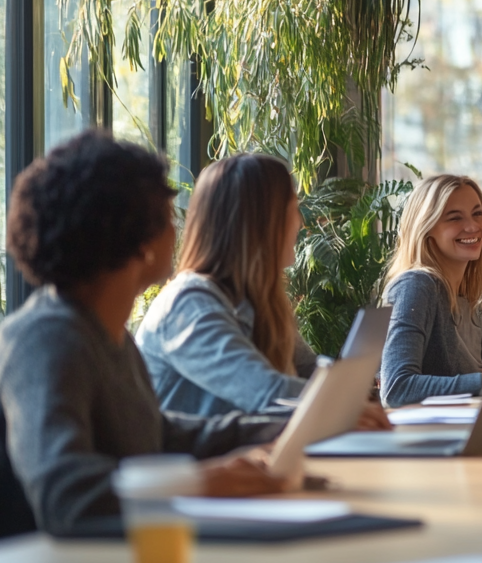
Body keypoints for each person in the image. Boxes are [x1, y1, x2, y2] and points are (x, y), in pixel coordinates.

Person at [0, 131, 285, 538]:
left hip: (106, 562)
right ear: (141, 241)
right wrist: (199, 482)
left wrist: (284, 425)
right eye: (168, 216)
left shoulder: (103, 332)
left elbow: (156, 435)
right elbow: (67, 495)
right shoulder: (44, 342)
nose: (179, 229)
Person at [136, 153, 386, 430]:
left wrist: (353, 388)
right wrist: (343, 403)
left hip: (249, 461)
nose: (300, 223)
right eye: (293, 209)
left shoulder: (261, 300)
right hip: (197, 469)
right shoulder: (189, 305)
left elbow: (308, 370)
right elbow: (267, 393)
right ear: (260, 223)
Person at [379, 174, 482, 407]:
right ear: (426, 229)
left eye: (478, 214)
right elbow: (396, 388)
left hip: (466, 425)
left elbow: (474, 382)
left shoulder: (476, 298)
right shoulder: (416, 286)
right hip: (423, 437)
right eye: (454, 218)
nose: (472, 226)